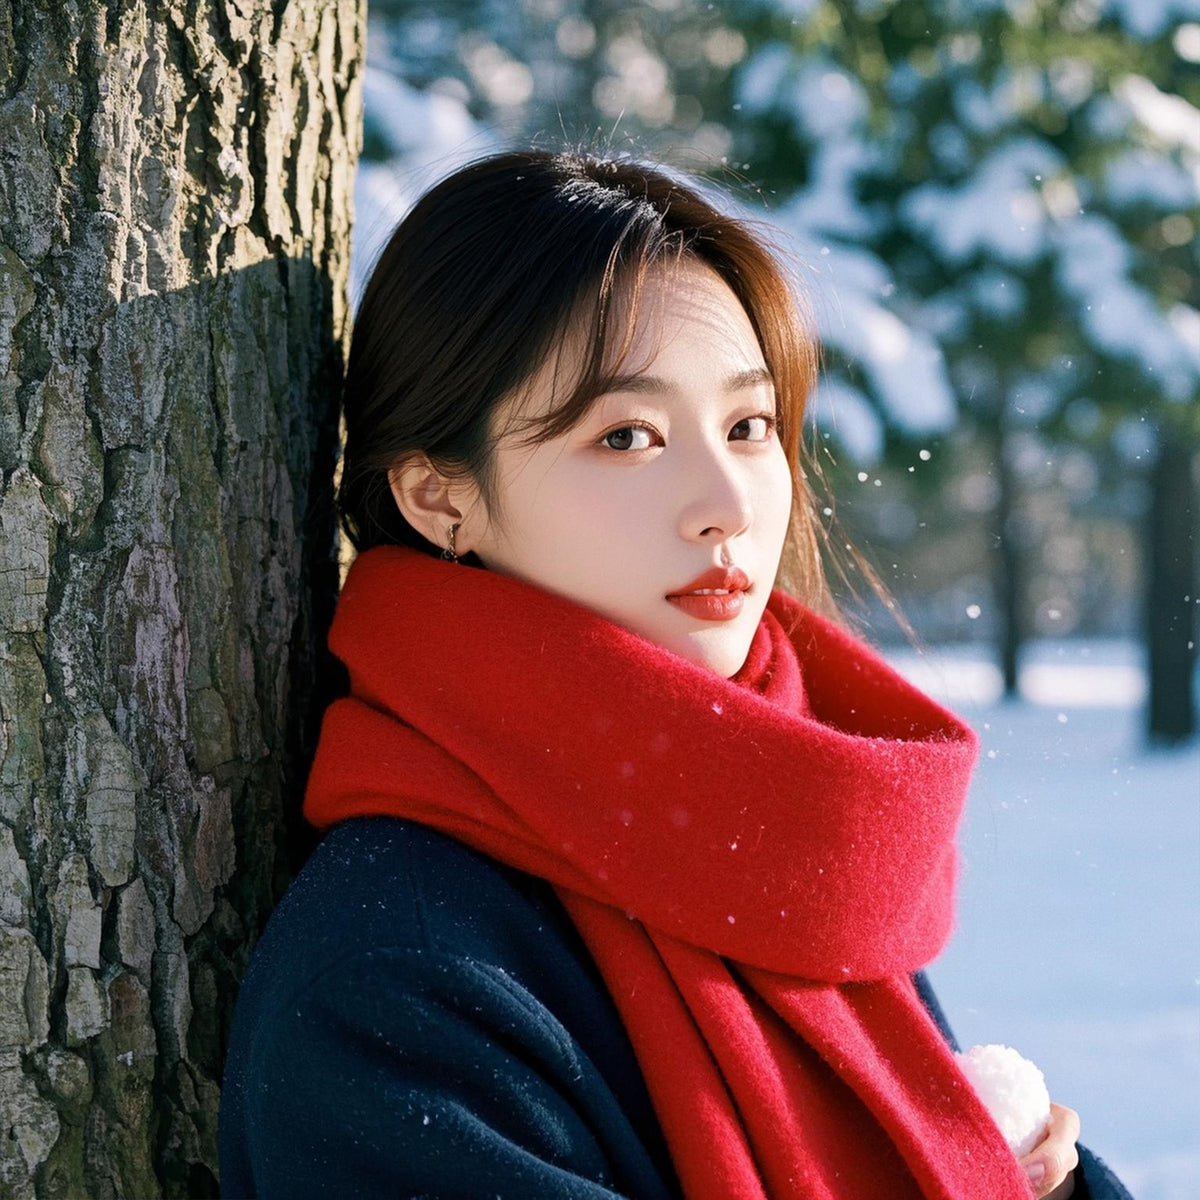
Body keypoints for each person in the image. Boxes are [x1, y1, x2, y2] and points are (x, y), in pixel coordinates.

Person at [217, 148, 1132, 1200]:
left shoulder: (782, 844)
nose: (730, 503)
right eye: (629, 436)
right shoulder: (394, 982)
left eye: (749, 426)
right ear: (438, 496)